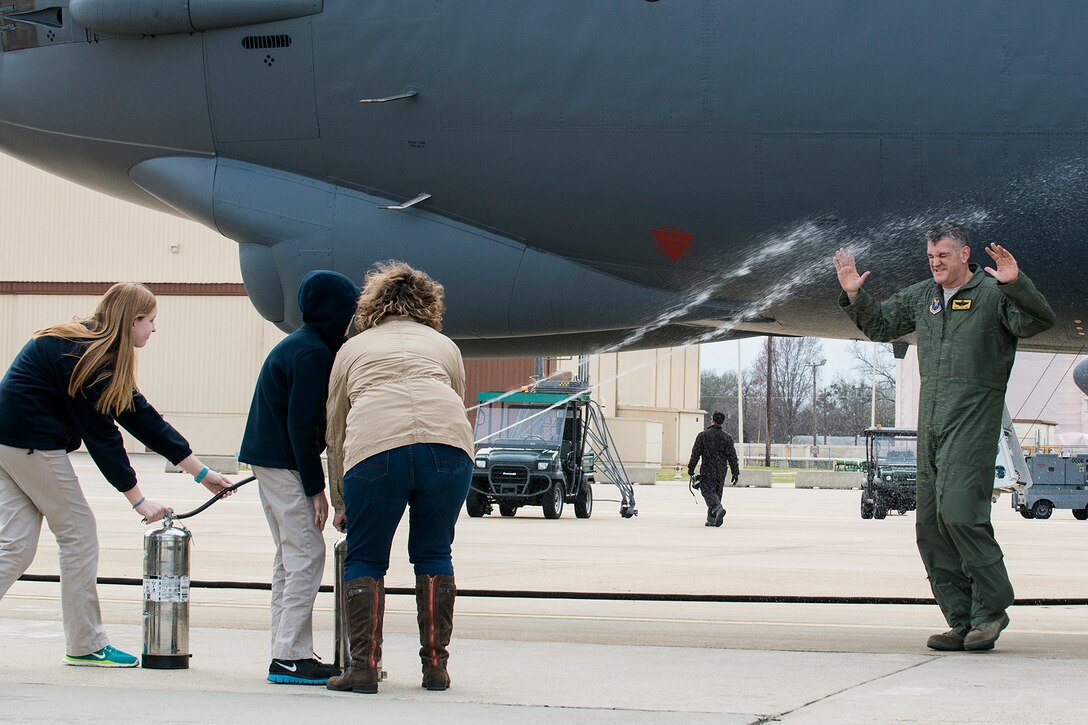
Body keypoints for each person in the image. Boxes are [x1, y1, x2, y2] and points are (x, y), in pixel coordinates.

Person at [835, 221, 1055, 652]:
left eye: (943, 256)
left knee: (959, 514)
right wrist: (854, 295)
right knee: (930, 525)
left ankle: (990, 610)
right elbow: (880, 325)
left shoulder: (993, 295)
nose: (936, 263)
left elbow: (1038, 321)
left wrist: (1017, 285)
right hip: (931, 423)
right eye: (931, 257)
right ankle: (961, 620)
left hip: (973, 421)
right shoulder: (924, 297)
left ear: (963, 254)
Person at [0, 282, 232, 667]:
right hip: (32, 445)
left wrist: (200, 472)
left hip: (11, 444)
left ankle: (84, 641)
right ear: (133, 320)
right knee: (78, 534)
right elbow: (103, 438)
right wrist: (138, 499)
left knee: (15, 546)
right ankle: (85, 643)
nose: (155, 329)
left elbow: (140, 416)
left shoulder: (89, 347)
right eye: (152, 321)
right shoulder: (85, 357)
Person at [325, 261, 474, 694]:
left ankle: (364, 668)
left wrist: (340, 501)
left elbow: (336, 427)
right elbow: (454, 396)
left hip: (376, 448)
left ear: (371, 305)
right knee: (433, 553)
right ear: (429, 304)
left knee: (366, 558)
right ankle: (435, 668)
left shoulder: (352, 349)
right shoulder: (444, 345)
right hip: (447, 448)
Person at [239, 271, 360, 685]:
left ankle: (286, 649)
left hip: (268, 459)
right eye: (350, 310)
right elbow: (301, 426)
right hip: (284, 462)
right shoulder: (312, 354)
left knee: (290, 558)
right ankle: (290, 656)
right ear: (336, 311)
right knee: (308, 553)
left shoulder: (303, 344)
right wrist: (317, 489)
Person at [687, 411, 740, 527]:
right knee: (717, 492)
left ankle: (717, 508)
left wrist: (691, 468)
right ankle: (711, 518)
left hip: (708, 468)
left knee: (707, 491)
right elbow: (732, 456)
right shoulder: (727, 437)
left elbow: (695, 454)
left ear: (712, 420)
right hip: (721, 470)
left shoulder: (703, 435)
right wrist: (735, 472)